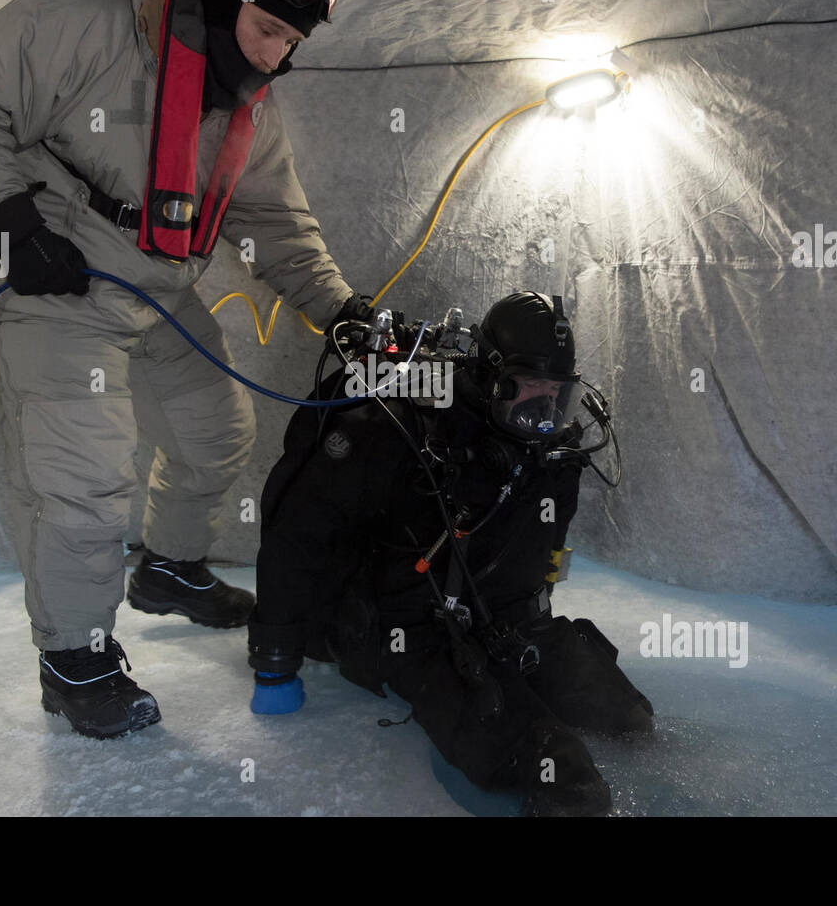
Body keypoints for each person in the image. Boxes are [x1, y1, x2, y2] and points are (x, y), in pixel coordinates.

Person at [0, 0, 374, 739]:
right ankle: (74, 660)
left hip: (154, 287)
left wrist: (340, 310)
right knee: (82, 477)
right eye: (265, 31)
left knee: (217, 430)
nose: (274, 57)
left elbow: (274, 223)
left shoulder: (249, 106)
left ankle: (166, 568)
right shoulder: (83, 25)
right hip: (46, 274)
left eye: (290, 45)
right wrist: (6, 219)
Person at [248, 292, 655, 815]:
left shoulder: (550, 448)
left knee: (629, 719)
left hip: (502, 620)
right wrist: (274, 660)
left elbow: (545, 547)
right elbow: (299, 535)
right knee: (560, 770)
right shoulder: (401, 428)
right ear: (489, 376)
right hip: (407, 629)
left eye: (557, 394)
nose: (543, 410)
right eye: (527, 388)